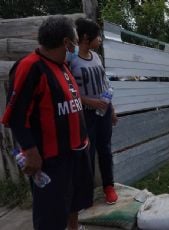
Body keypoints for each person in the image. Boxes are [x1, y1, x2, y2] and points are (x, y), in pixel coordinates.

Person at [1, 16, 93, 230]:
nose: (76, 45)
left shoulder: (62, 65)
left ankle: (74, 228)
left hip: (76, 150)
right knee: (50, 213)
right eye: (75, 40)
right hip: (52, 159)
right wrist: (31, 152)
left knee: (74, 201)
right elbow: (16, 116)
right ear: (65, 42)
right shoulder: (30, 67)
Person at [69, 18, 118, 205]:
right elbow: (70, 93)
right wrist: (92, 102)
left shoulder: (96, 57)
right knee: (86, 154)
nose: (100, 41)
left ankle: (109, 187)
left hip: (103, 113)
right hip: (85, 115)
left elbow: (106, 86)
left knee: (105, 150)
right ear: (86, 37)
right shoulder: (72, 60)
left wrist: (111, 109)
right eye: (98, 37)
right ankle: (85, 194)